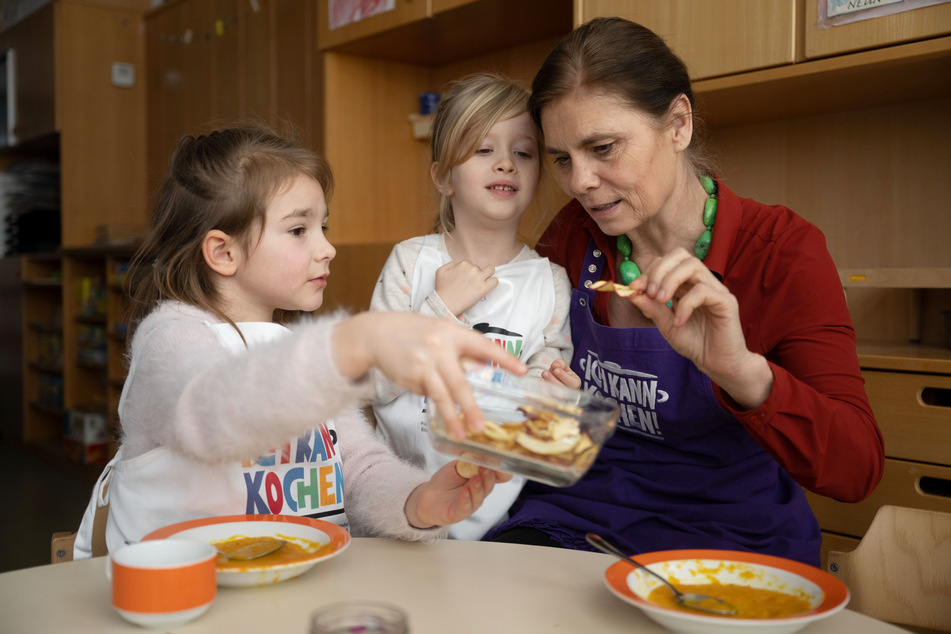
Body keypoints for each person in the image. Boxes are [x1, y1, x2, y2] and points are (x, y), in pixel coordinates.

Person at [484, 17, 885, 567]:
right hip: (580, 515)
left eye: (603, 147)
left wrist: (742, 371)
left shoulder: (780, 252)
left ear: (677, 124)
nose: (579, 182)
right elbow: (545, 437)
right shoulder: (573, 236)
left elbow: (856, 469)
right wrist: (529, 400)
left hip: (728, 532)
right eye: (561, 158)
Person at [72, 123, 528, 558]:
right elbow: (212, 416)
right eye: (298, 230)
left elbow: (356, 466)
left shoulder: (292, 345)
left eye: (323, 227)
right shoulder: (171, 337)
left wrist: (417, 503)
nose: (326, 248)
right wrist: (350, 344)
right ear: (223, 252)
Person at [369, 73, 573, 540]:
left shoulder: (550, 284)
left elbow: (538, 430)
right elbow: (374, 385)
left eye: (523, 153)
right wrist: (439, 307)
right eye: (484, 150)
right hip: (397, 515)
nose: (505, 164)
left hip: (496, 526)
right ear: (443, 177)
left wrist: (556, 402)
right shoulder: (411, 261)